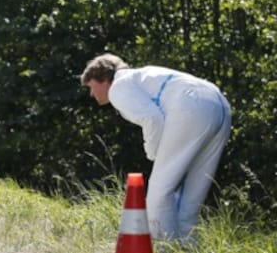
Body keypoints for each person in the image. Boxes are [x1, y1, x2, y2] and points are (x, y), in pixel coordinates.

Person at [80, 53, 231, 243]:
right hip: (219, 103)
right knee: (191, 191)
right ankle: (189, 249)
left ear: (103, 79)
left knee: (160, 191)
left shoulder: (118, 86)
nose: (92, 94)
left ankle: (165, 249)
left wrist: (154, 154)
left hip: (191, 105)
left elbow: (152, 118)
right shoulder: (141, 76)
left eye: (91, 87)